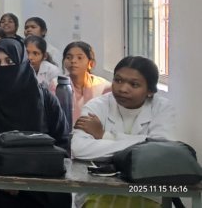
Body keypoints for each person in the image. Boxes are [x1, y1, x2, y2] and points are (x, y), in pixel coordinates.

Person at [0, 38, 71, 208]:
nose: (3, 68)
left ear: (23, 63)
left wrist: (30, 182)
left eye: (10, 61)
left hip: (43, 181)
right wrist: (4, 181)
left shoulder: (45, 100)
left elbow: (62, 140)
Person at [71, 56, 175, 208]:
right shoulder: (97, 106)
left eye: (134, 84)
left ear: (150, 91)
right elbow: (79, 149)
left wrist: (105, 136)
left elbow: (161, 149)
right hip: (98, 191)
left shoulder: (163, 108)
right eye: (118, 80)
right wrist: (144, 143)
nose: (122, 88)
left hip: (147, 193)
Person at [49, 41, 111, 124]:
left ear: (90, 63)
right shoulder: (58, 84)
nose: (73, 61)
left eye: (79, 58)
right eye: (68, 57)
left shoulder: (103, 86)